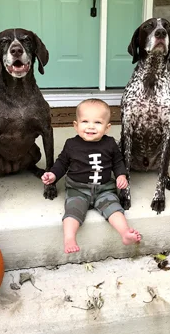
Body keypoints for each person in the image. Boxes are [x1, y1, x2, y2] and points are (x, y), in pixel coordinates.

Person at [41, 98, 142, 254]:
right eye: (85, 121)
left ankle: (125, 233)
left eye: (97, 123)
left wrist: (121, 176)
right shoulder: (71, 145)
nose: (90, 126)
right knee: (72, 212)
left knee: (115, 209)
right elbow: (61, 163)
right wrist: (53, 175)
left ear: (107, 127)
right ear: (76, 125)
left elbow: (118, 162)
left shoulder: (110, 144)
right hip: (78, 189)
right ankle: (69, 238)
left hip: (105, 189)